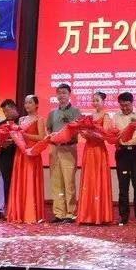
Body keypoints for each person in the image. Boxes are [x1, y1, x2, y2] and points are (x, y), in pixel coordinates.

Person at [7, 95, 46, 224]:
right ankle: (19, 212)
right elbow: (18, 136)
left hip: (32, 153)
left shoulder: (40, 119)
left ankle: (31, 214)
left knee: (30, 181)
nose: (27, 105)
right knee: (21, 180)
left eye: (30, 103)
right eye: (26, 103)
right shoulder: (21, 119)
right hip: (21, 153)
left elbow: (41, 137)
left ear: (36, 105)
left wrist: (25, 134)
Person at [76, 91, 113, 225]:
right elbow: (86, 136)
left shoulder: (106, 116)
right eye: (93, 100)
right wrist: (81, 131)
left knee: (98, 179)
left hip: (98, 150)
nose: (95, 102)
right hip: (89, 150)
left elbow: (105, 135)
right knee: (89, 180)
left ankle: (100, 215)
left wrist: (92, 132)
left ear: (103, 101)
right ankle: (88, 215)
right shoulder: (89, 117)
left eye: (97, 100)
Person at [46, 83, 81, 223]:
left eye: (64, 92)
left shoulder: (75, 111)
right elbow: (48, 129)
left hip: (68, 148)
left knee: (69, 182)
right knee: (56, 182)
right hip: (55, 149)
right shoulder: (52, 113)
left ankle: (70, 213)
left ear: (69, 94)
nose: (61, 95)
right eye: (59, 93)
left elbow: (78, 129)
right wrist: (51, 135)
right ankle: (59, 213)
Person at [112, 92, 136, 226]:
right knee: (123, 185)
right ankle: (123, 216)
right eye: (122, 105)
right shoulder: (115, 117)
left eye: (127, 105)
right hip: (122, 153)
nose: (124, 108)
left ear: (132, 103)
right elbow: (114, 134)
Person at [0, 99, 19, 204]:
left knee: (19, 181)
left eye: (7, 111)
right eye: (4, 111)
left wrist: (14, 141)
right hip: (5, 156)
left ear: (14, 108)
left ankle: (19, 206)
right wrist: (0, 142)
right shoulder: (1, 124)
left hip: (19, 155)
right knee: (7, 181)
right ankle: (9, 206)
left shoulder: (22, 121)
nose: (5, 114)